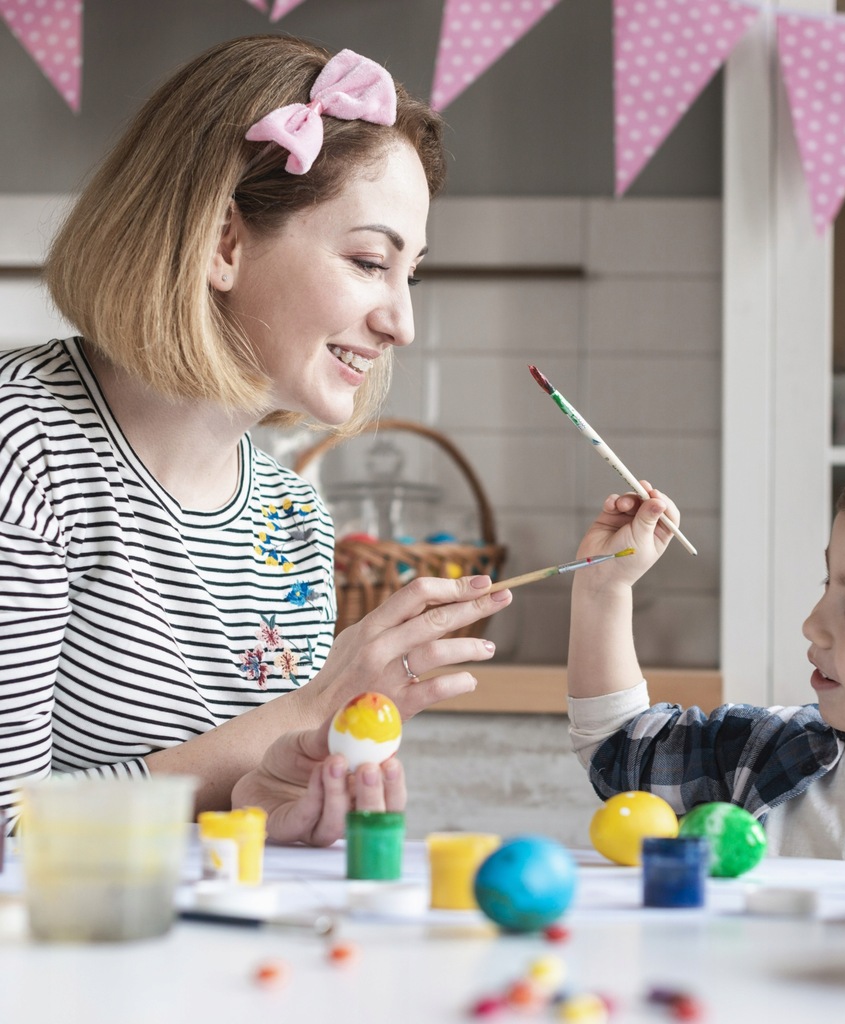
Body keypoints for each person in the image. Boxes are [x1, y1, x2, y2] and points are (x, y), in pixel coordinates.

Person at [0, 36, 513, 843]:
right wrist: (312, 707)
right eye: (368, 260)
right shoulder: (23, 449)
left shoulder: (293, 523)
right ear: (222, 243)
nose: (402, 323)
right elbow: (10, 830)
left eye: (408, 272)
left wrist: (275, 808)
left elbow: (219, 833)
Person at [566, 439, 845, 862]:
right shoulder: (767, 751)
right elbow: (619, 748)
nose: (812, 625)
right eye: (829, 581)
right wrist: (603, 587)